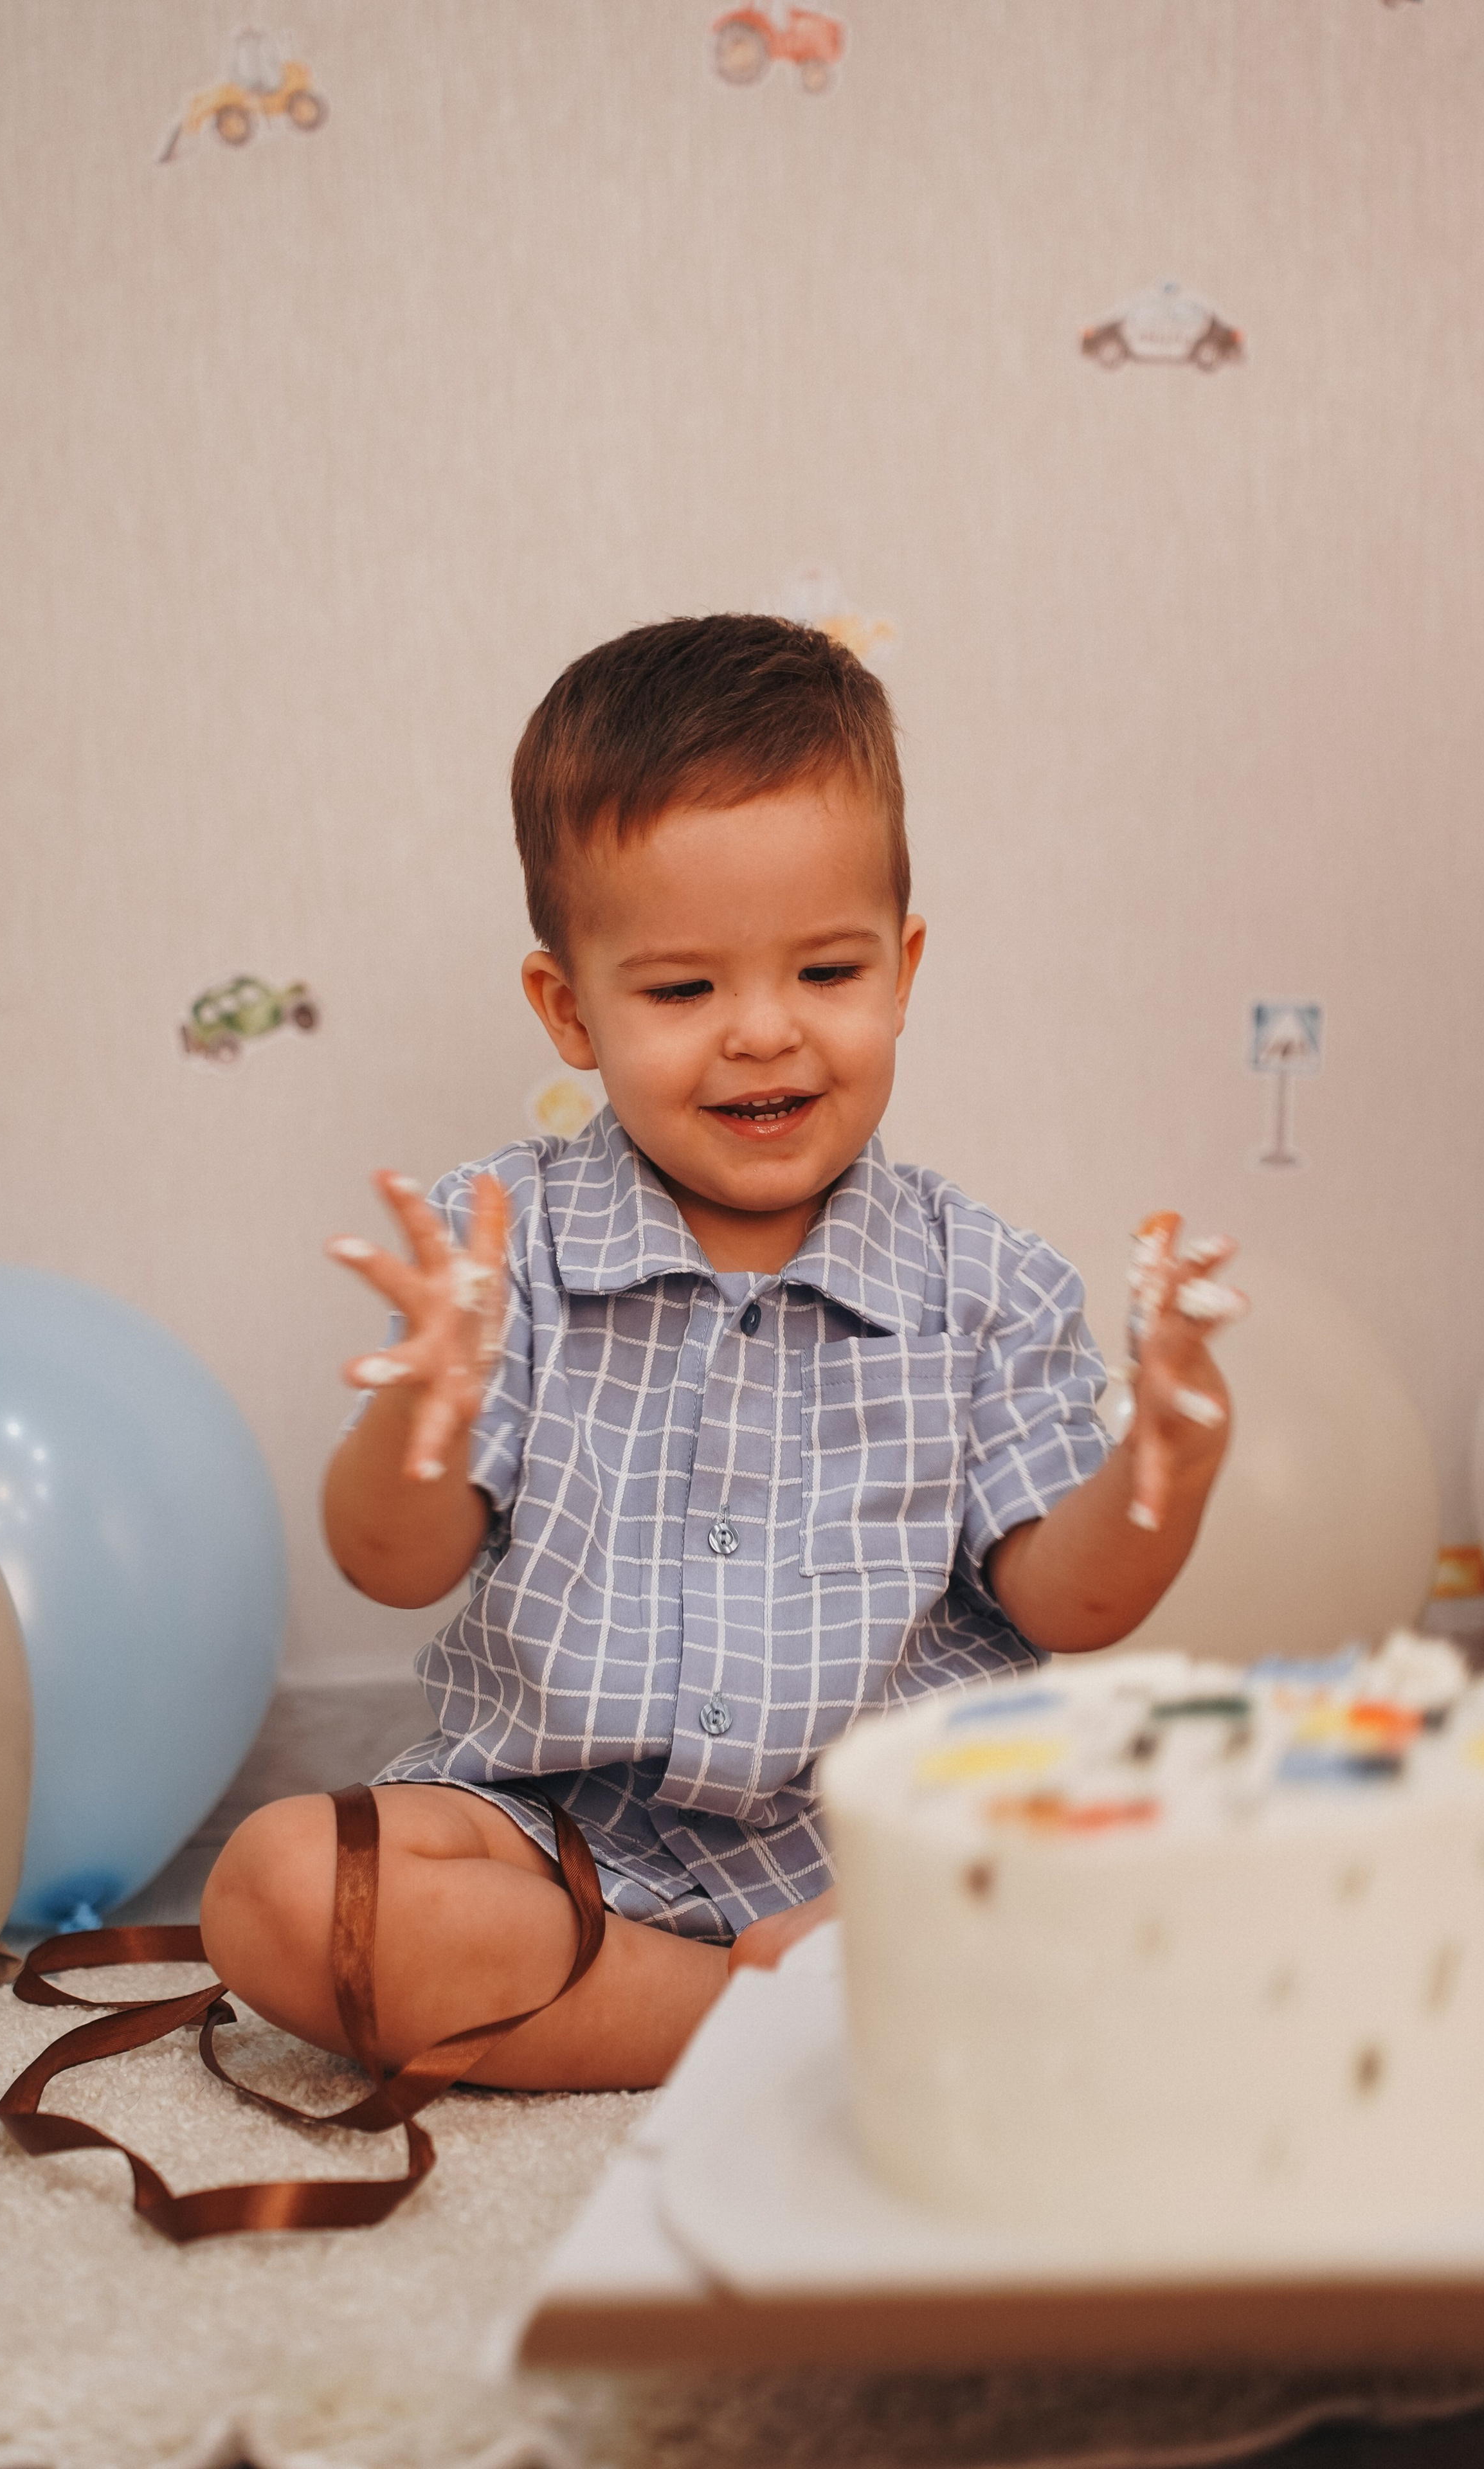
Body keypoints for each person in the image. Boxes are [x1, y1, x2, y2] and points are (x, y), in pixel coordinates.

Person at [201, 615, 1243, 2091]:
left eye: (825, 972)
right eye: (683, 991)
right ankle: (745, 2017)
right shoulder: (501, 1249)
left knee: (1153, 1834)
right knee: (283, 1892)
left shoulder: (985, 1281)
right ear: (569, 1008)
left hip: (881, 1840)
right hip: (558, 1834)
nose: (762, 1033)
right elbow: (392, 1566)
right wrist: (421, 1413)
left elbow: (1064, 1606)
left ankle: (834, 1976)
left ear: (902, 970)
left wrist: (1159, 1471)